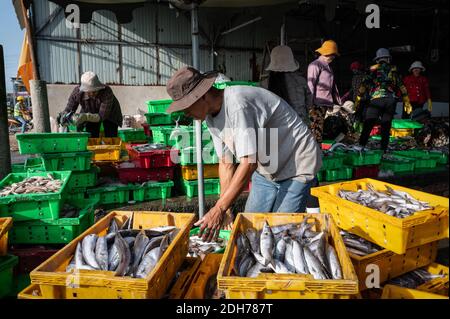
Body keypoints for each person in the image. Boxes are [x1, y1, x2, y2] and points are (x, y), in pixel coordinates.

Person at [165, 67, 322, 241]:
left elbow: (249, 162)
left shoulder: (237, 104)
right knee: (249, 228)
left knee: (280, 232)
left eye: (187, 106)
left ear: (202, 96)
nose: (186, 113)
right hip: (267, 168)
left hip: (297, 164)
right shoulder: (209, 116)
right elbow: (225, 163)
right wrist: (227, 208)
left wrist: (219, 209)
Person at [355, 48, 412, 153]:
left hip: (376, 99)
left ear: (377, 60)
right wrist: (406, 100)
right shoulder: (394, 70)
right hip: (391, 100)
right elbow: (401, 85)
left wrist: (358, 98)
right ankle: (383, 150)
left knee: (368, 124)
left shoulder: (373, 69)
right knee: (386, 126)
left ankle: (361, 146)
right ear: (388, 59)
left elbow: (364, 84)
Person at [61, 71, 123, 137]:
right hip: (90, 111)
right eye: (89, 92)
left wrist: (86, 117)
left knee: (110, 135)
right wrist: (64, 115)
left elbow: (102, 116)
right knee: (91, 135)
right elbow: (69, 108)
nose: (92, 94)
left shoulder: (106, 92)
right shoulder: (77, 93)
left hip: (110, 114)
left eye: (95, 91)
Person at [307, 40, 342, 143]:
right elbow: (310, 84)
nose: (334, 57)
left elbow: (331, 86)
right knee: (315, 130)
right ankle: (314, 153)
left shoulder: (328, 67)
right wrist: (310, 103)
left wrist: (333, 101)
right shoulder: (315, 65)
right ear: (327, 53)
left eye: (334, 55)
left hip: (323, 104)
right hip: (316, 104)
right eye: (333, 55)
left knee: (319, 129)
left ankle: (317, 152)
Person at [266, 45, 311, 123]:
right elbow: (309, 105)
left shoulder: (264, 84)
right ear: (291, 60)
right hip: (297, 126)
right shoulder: (301, 81)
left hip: (273, 129)